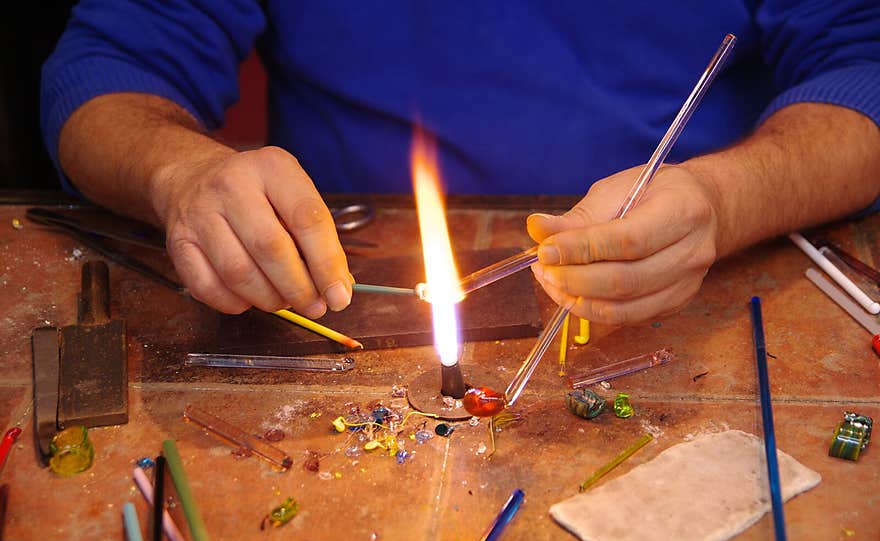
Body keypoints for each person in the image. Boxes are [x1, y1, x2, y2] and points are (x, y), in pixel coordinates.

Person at [41, 1, 880, 325]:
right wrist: (181, 175)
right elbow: (101, 75)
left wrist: (724, 200)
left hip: (696, 279)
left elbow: (866, 70)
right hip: (327, 290)